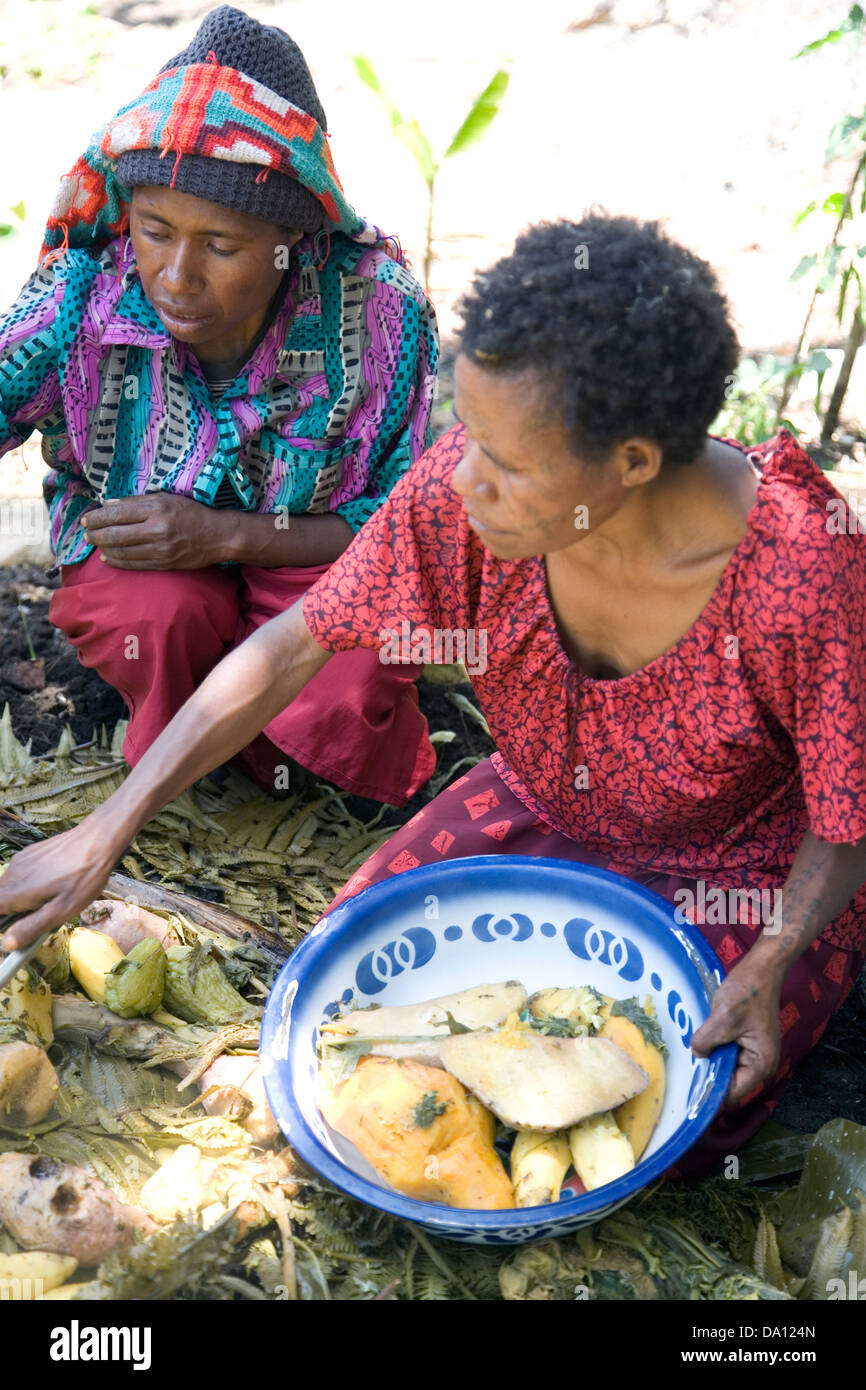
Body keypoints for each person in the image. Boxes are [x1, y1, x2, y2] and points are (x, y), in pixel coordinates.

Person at [2, 212, 865, 1176]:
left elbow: (848, 813)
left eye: (507, 461)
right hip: (548, 801)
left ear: (630, 464)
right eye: (468, 432)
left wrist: (774, 956)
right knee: (348, 1010)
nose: (463, 477)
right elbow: (289, 649)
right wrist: (106, 828)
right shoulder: (459, 500)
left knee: (668, 1102)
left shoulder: (801, 569)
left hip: (745, 860)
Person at [0, 5, 439, 805]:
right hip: (146, 562)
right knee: (155, 618)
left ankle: (292, 757)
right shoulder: (85, 291)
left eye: (222, 247)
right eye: (155, 229)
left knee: (341, 685)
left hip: (316, 555)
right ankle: (181, 749)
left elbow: (402, 523)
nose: (176, 275)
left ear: (291, 239)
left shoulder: (377, 311)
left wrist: (226, 534)